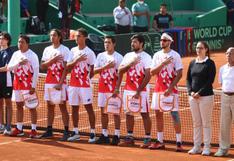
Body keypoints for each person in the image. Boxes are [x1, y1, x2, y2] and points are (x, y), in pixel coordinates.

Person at [0, 35, 39, 138]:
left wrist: (33, 86)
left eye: (22, 42)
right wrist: (19, 63)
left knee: (31, 107)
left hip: (28, 86)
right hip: (17, 85)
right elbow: (9, 68)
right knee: (19, 106)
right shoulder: (16, 54)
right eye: (18, 42)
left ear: (27, 44)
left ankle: (34, 130)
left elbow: (36, 72)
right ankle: (19, 128)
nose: (19, 44)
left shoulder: (32, 55)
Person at [150, 33, 183, 151]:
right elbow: (152, 72)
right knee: (158, 114)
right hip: (158, 90)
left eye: (164, 40)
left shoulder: (176, 55)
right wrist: (163, 64)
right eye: (161, 40)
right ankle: (160, 141)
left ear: (169, 42)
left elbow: (179, 74)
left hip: (171, 91)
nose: (162, 42)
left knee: (174, 115)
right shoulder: (156, 55)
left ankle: (179, 142)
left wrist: (170, 88)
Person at [117, 34, 152, 148]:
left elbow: (148, 76)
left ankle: (147, 138)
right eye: (132, 42)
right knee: (129, 113)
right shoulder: (128, 55)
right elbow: (120, 71)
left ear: (141, 43)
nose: (132, 44)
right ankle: (129, 137)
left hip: (141, 91)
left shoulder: (146, 57)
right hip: (128, 90)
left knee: (144, 114)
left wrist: (138, 91)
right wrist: (131, 63)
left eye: (135, 42)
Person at [66, 28, 96, 143]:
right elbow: (68, 67)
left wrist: (85, 80)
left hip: (85, 86)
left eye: (78, 36)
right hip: (73, 84)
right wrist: (76, 60)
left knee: (88, 108)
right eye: (76, 36)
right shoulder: (72, 51)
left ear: (84, 37)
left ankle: (92, 133)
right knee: (74, 107)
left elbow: (92, 71)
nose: (76, 38)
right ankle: (75, 132)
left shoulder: (90, 53)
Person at [39, 29, 70, 141]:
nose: (52, 37)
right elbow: (42, 66)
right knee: (49, 107)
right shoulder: (47, 50)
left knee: (62, 107)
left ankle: (66, 131)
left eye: (55, 35)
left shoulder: (65, 50)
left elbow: (66, 69)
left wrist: (60, 83)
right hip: (49, 82)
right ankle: (49, 130)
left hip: (60, 83)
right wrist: (53, 59)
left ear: (59, 37)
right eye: (51, 35)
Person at [186, 41, 216, 156]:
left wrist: (199, 92)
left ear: (206, 49)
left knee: (206, 123)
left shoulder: (210, 63)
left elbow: (210, 81)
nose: (198, 50)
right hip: (193, 97)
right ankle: (197, 146)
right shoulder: (192, 62)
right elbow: (188, 79)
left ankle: (207, 147)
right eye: (197, 47)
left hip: (206, 97)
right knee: (196, 123)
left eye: (201, 48)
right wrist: (191, 92)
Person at [94, 36, 123, 145]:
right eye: (105, 42)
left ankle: (117, 135)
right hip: (102, 88)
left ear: (114, 44)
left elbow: (120, 75)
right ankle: (104, 135)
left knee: (115, 112)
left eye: (109, 42)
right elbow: (95, 71)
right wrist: (106, 66)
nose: (106, 44)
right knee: (103, 112)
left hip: (113, 90)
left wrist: (117, 88)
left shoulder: (119, 57)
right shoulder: (100, 56)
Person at [214, 47, 234, 157]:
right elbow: (221, 84)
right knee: (224, 125)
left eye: (230, 53)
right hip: (225, 97)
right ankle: (223, 148)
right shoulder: (222, 69)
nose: (228, 55)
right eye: (227, 53)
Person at [0, 32, 13, 135]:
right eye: (0, 38)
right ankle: (1, 125)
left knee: (8, 104)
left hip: (7, 82)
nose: (1, 40)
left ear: (7, 40)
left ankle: (8, 127)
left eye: (3, 39)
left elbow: (7, 68)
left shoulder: (9, 52)